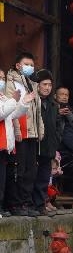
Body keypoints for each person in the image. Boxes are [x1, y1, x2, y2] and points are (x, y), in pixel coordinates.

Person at [5, 52, 43, 217]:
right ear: (18, 65)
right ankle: (15, 203)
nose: (30, 67)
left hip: (32, 132)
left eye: (32, 65)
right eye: (26, 64)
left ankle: (26, 202)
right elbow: (10, 107)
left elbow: (38, 111)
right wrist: (16, 130)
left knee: (30, 170)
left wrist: (40, 129)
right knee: (18, 170)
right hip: (20, 132)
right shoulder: (11, 82)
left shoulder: (32, 83)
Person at [0, 71, 34, 216]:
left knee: (4, 178)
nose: (2, 80)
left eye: (3, 78)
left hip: (5, 145)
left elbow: (12, 114)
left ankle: (3, 206)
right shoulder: (6, 99)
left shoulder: (3, 97)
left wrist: (24, 102)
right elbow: (1, 113)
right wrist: (13, 100)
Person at [34, 70, 62, 215]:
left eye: (50, 85)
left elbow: (58, 125)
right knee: (32, 176)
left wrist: (56, 139)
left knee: (44, 177)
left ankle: (41, 205)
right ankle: (31, 204)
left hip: (49, 146)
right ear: (37, 85)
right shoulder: (33, 101)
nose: (47, 87)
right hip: (35, 145)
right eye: (44, 84)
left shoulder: (53, 104)